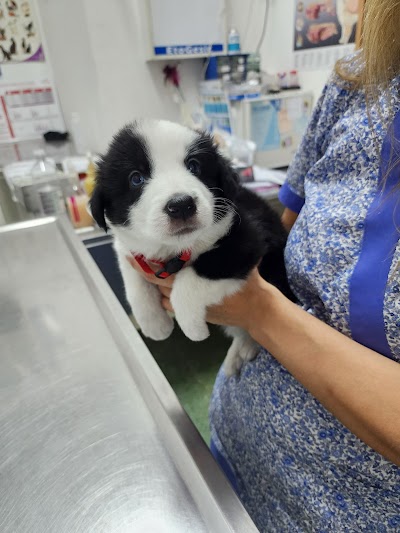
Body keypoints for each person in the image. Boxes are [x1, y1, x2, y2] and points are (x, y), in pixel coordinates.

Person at [128, 0, 400, 529]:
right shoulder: (361, 82)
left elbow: (256, 288)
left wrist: (256, 312)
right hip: (234, 447)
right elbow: (278, 240)